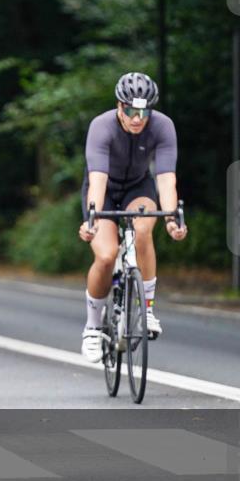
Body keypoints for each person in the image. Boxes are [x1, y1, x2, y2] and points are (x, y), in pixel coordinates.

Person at [78, 72, 188, 362]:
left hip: (138, 188)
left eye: (143, 111)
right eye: (130, 110)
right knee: (105, 255)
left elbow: (166, 179)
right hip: (104, 189)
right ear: (119, 105)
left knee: (142, 230)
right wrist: (92, 220)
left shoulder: (163, 127)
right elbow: (98, 179)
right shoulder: (101, 127)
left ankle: (147, 309)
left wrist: (172, 219)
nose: (137, 118)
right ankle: (92, 327)